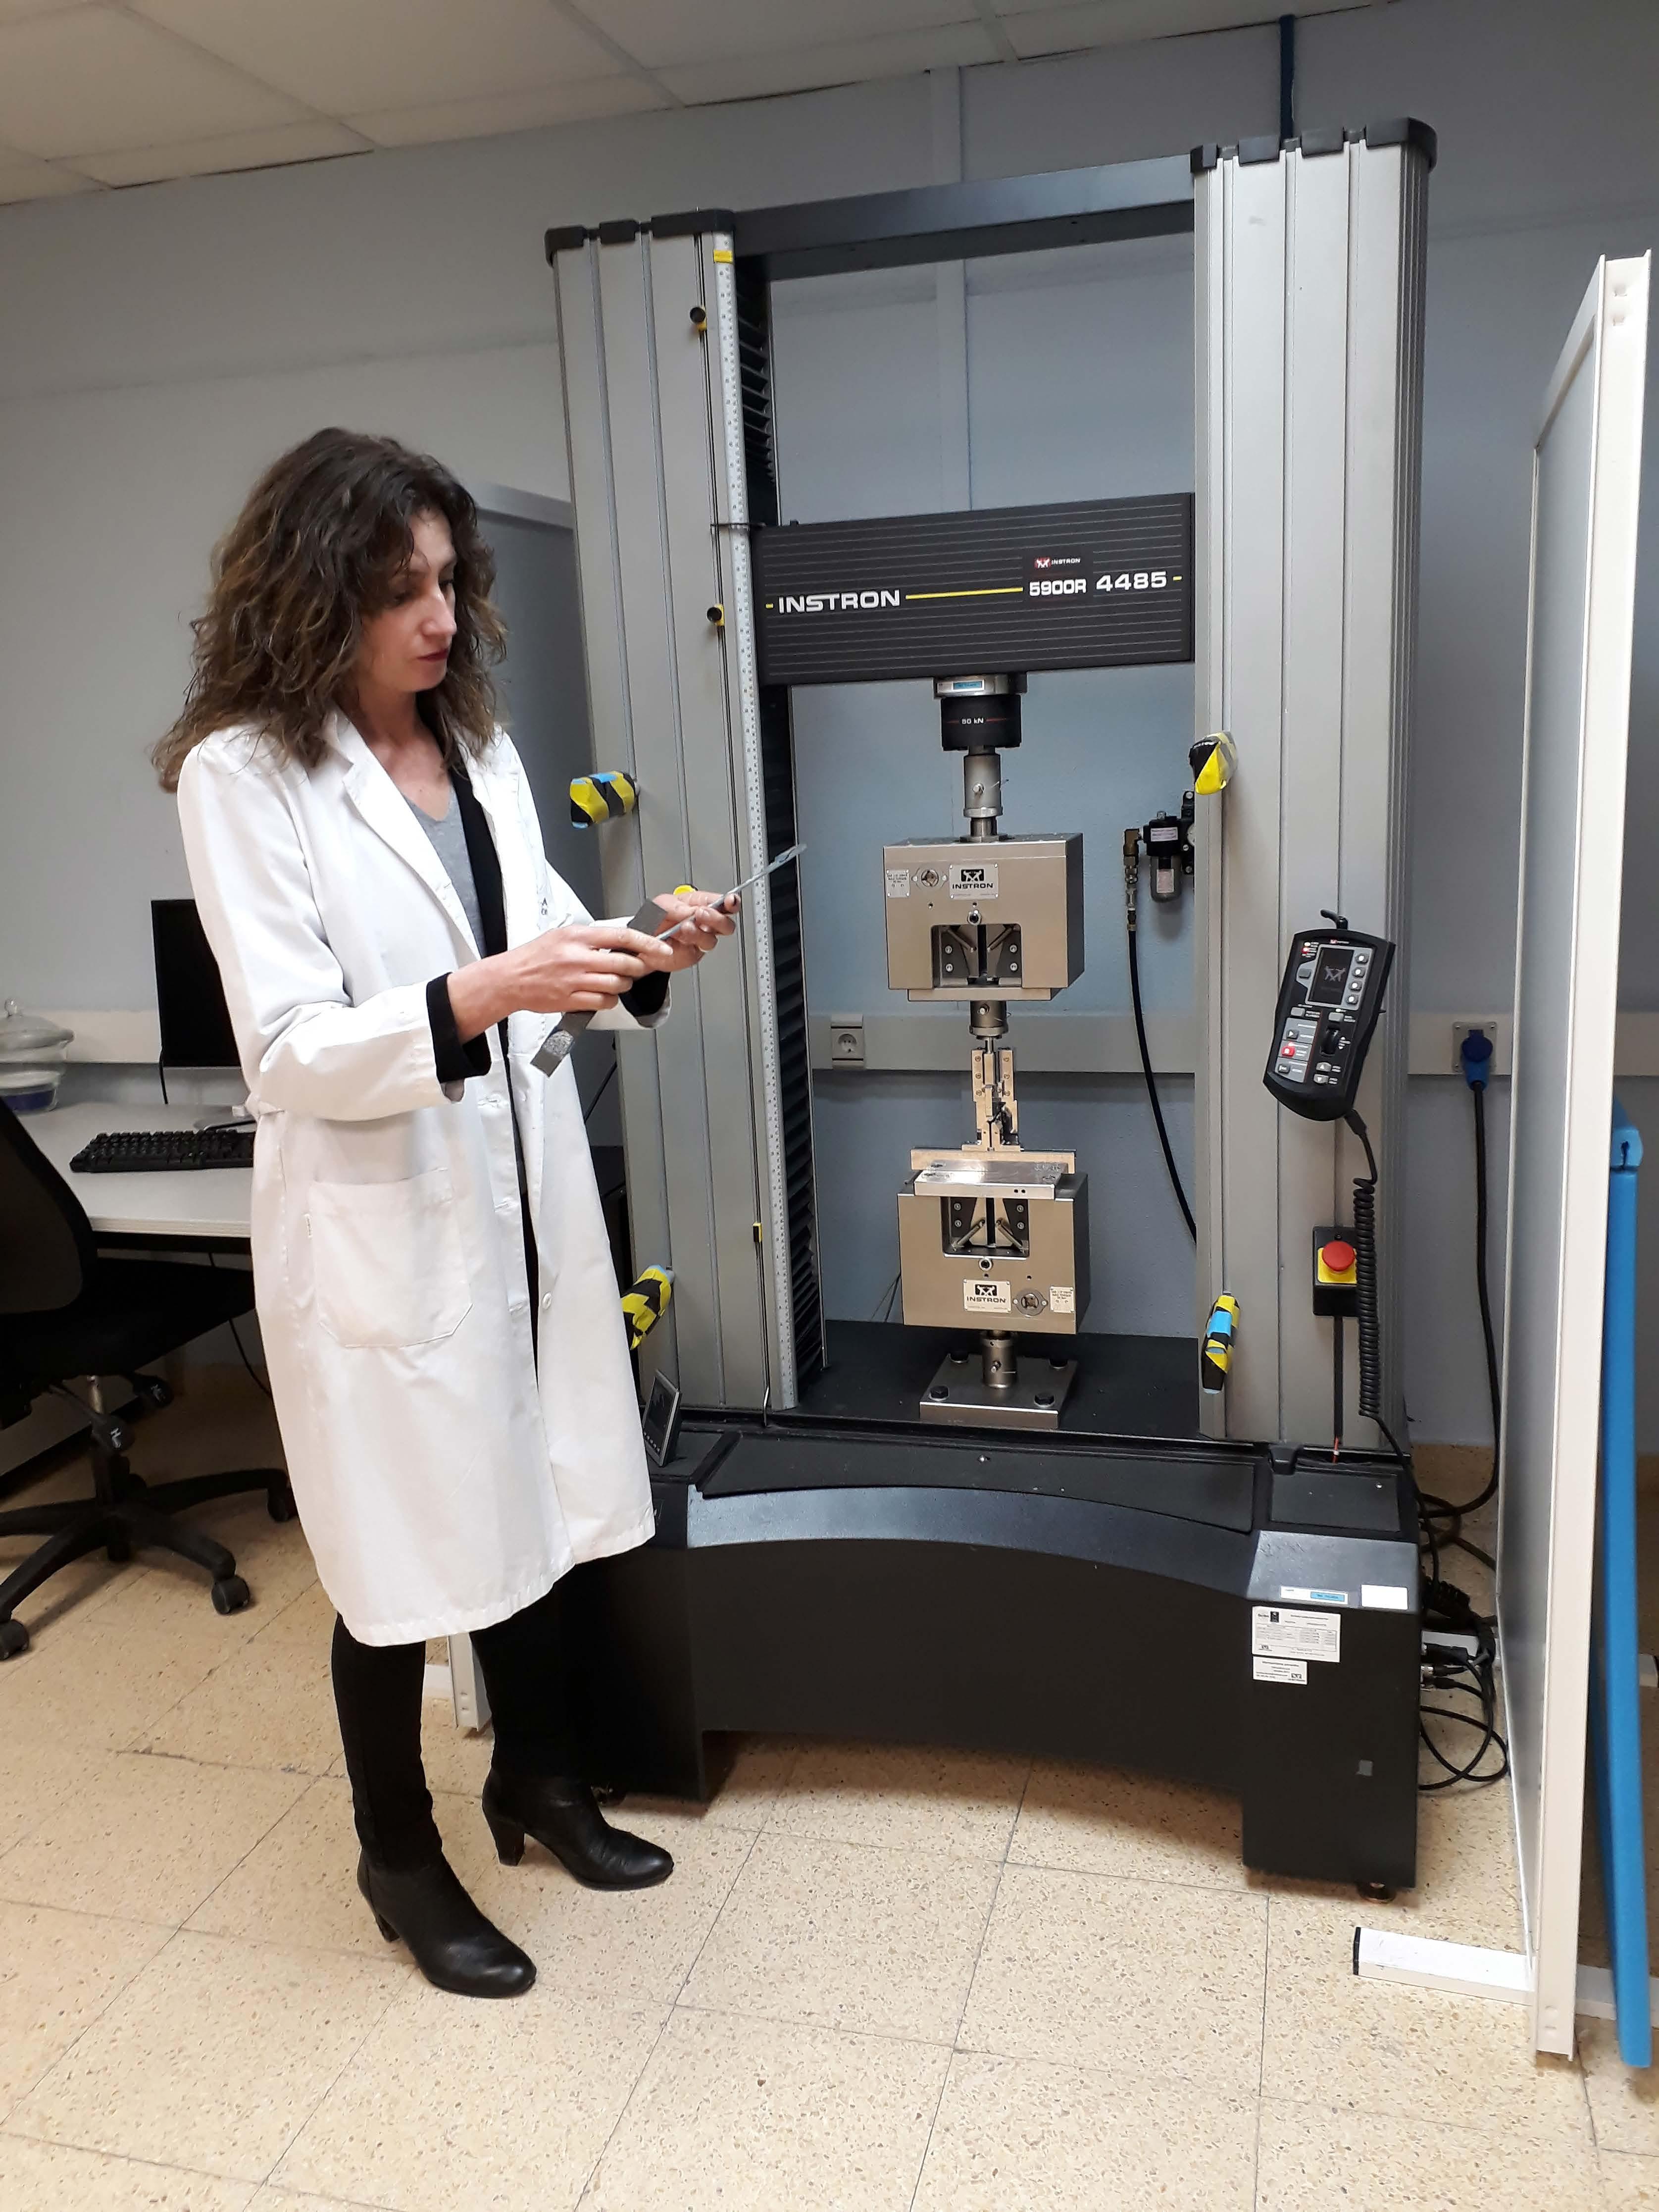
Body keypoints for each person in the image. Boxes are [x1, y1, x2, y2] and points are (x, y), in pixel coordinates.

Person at [155, 427, 734, 1999]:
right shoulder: (243, 777)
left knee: (526, 1501)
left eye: (449, 581)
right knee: (396, 1555)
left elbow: (535, 938)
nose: (441, 616)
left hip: (515, 1195)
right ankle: (398, 1856)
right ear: (311, 594)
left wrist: (636, 948)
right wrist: (484, 990)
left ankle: (537, 1779)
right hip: (382, 1219)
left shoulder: (477, 749)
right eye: (400, 588)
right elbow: (288, 1048)